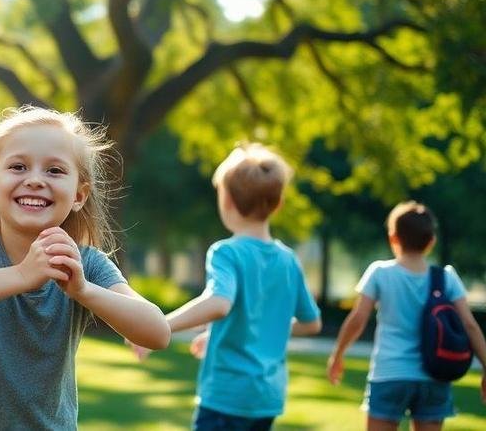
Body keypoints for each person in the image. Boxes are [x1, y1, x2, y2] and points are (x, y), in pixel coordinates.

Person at [0, 105, 170, 430]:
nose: (34, 180)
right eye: (18, 167)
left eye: (55, 171)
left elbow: (158, 332)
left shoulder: (84, 263)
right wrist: (22, 275)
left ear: (79, 195)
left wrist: (84, 291)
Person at [133, 142, 322, 430]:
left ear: (227, 201)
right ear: (278, 204)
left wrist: (161, 324)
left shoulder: (227, 253)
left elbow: (220, 303)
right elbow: (312, 324)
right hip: (266, 397)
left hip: (227, 394)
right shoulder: (288, 260)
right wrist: (235, 331)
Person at [326, 201, 486, 429]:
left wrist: (338, 354)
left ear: (393, 238)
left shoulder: (380, 273)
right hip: (434, 376)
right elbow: (469, 325)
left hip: (389, 374)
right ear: (431, 241)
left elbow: (358, 318)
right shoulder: (446, 277)